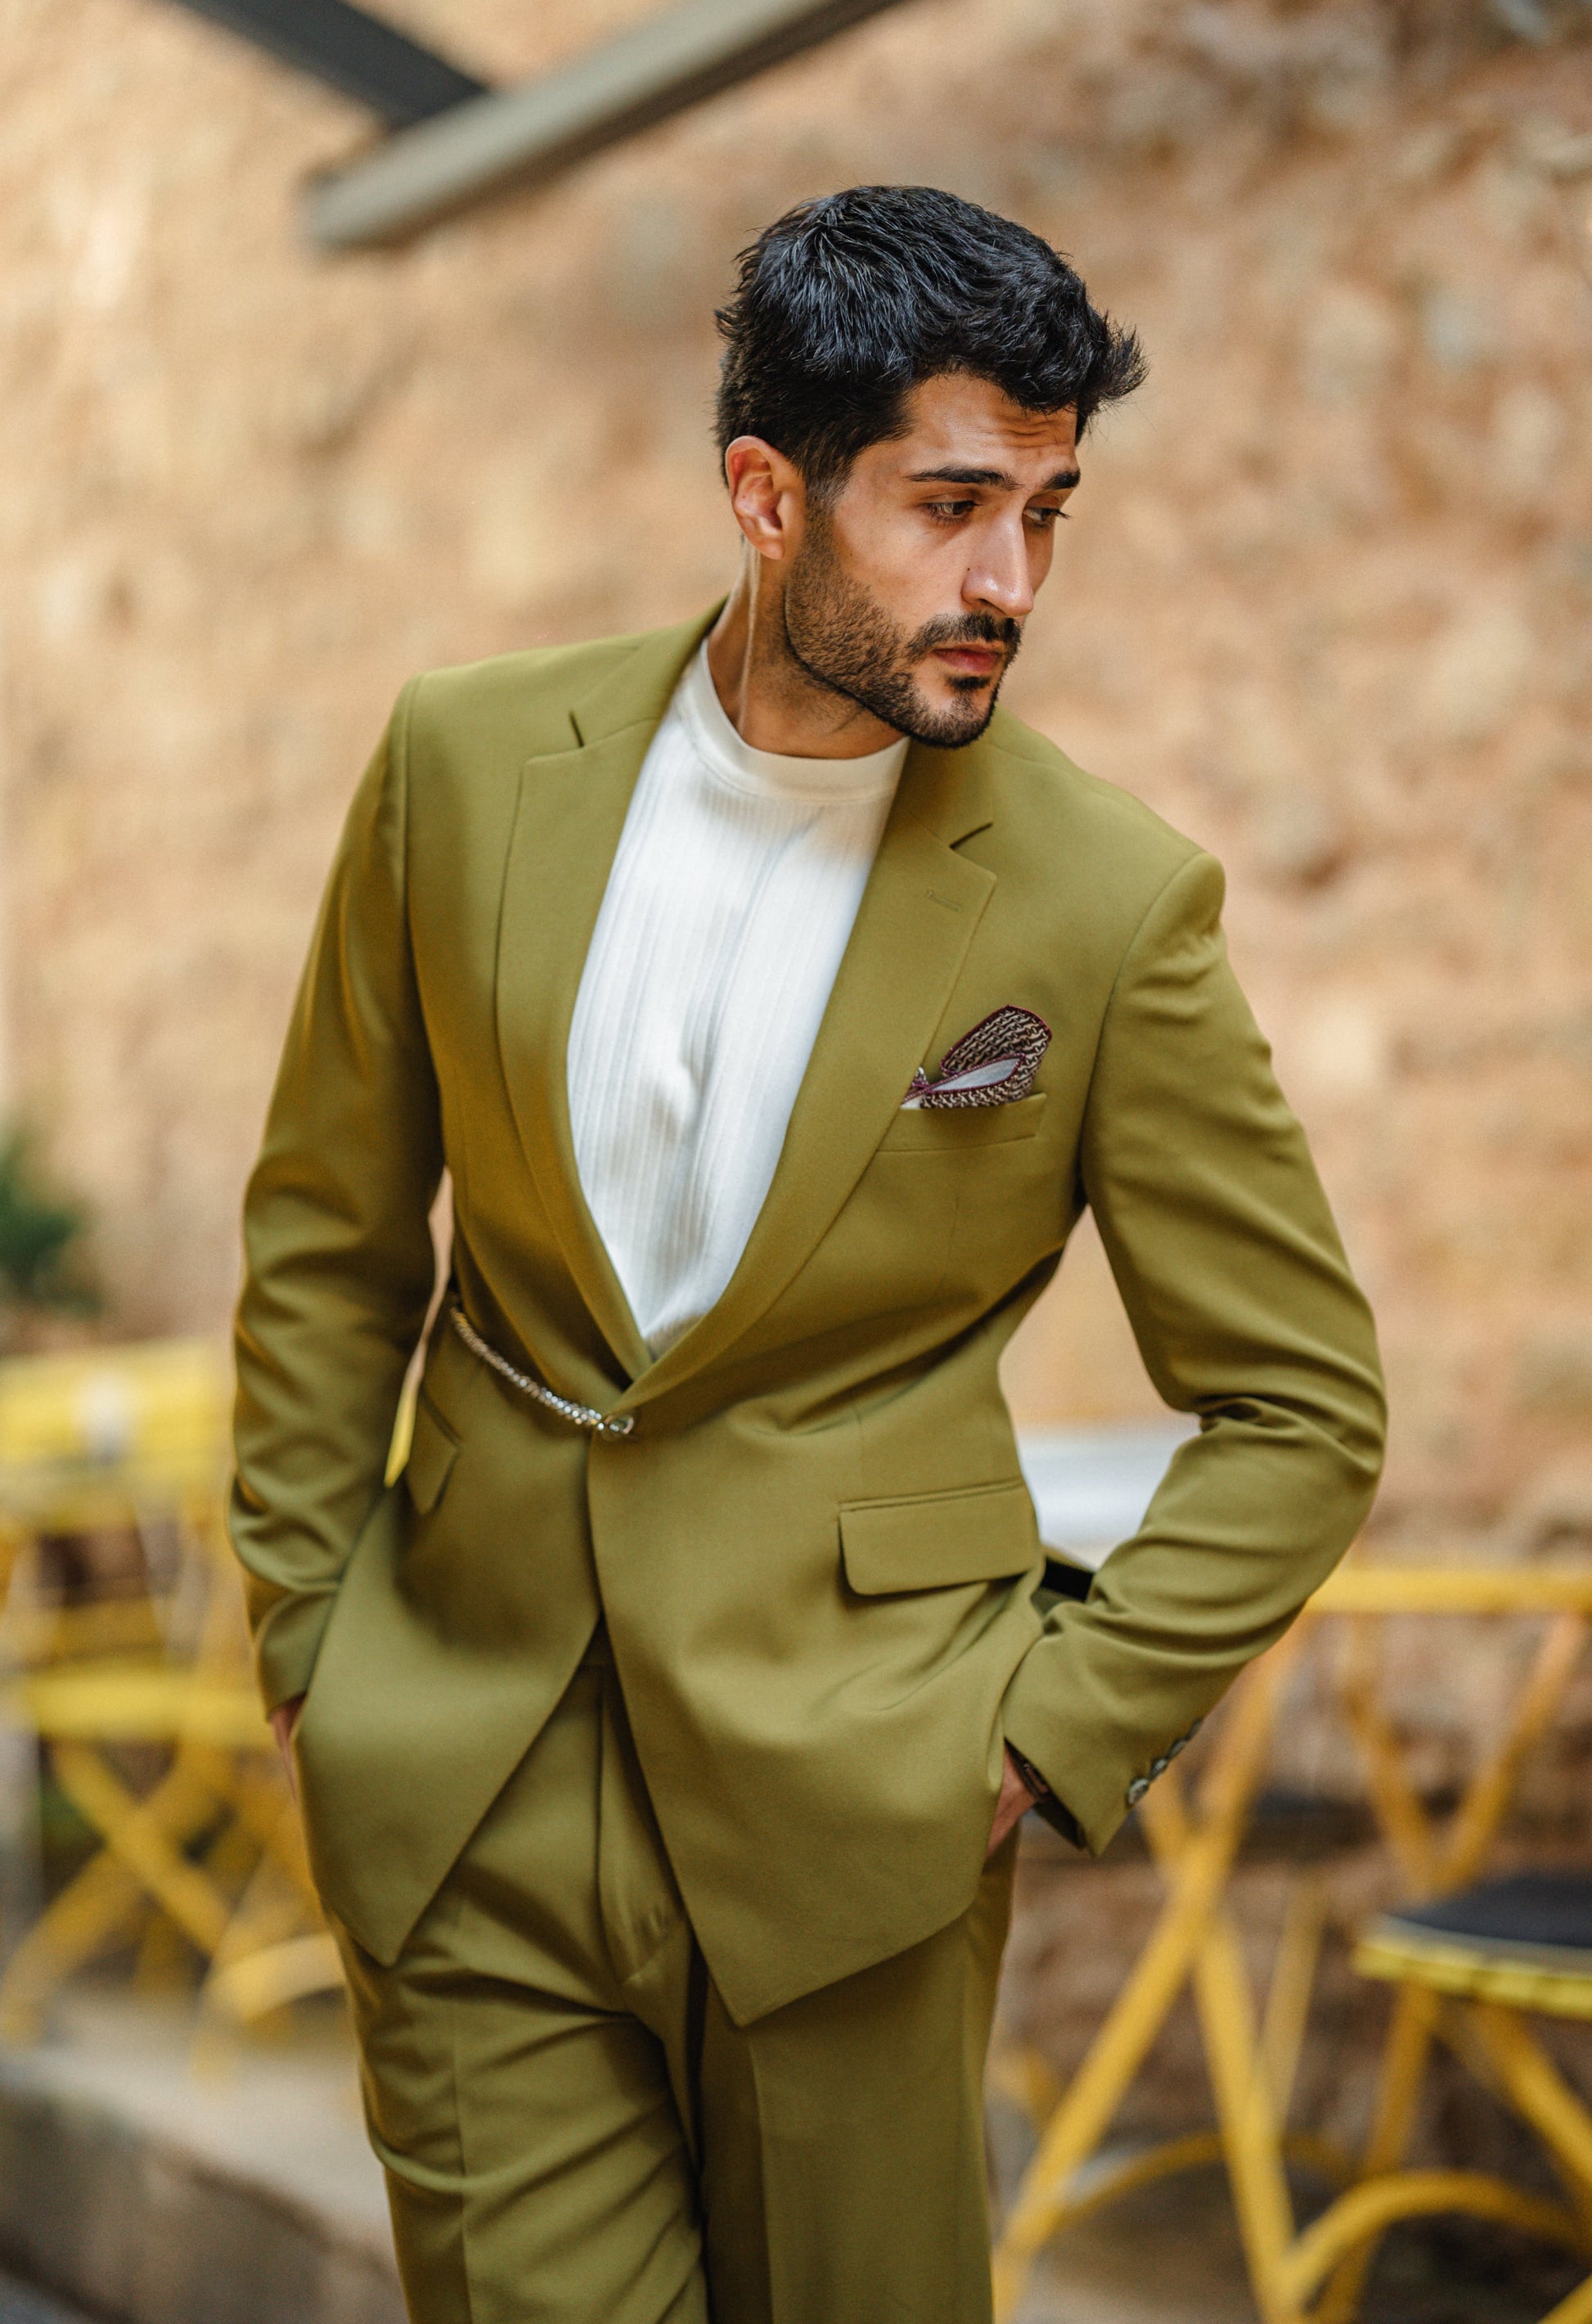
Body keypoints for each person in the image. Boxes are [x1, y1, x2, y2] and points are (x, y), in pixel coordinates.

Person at [230, 186, 1385, 2324]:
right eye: (948, 504)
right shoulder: (465, 768)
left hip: (864, 1796)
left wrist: (1045, 1738)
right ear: (766, 492)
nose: (1005, 580)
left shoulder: (1107, 902)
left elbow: (1303, 1403)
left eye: (1044, 510)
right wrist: (312, 1631)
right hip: (463, 1746)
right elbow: (329, 1226)